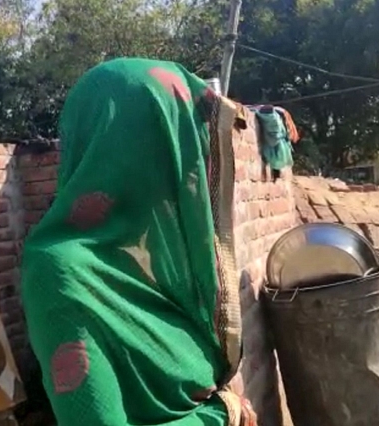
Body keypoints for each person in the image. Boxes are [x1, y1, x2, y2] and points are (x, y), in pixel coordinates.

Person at [20, 58, 256, 426]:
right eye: (169, 145)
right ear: (125, 151)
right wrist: (221, 414)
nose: (187, 166)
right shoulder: (61, 275)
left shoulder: (168, 260)